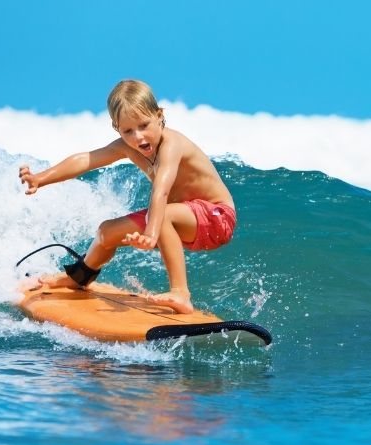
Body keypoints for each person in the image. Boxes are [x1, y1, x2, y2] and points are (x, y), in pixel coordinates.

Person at [19, 79, 236, 314]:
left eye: (144, 125)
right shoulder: (126, 146)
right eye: (128, 131)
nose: (138, 137)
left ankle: (181, 294)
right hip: (182, 218)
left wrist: (151, 233)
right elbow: (86, 159)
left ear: (159, 115)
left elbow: (161, 190)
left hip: (217, 217)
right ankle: (78, 278)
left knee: (160, 214)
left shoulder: (172, 144)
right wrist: (41, 178)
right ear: (116, 128)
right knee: (106, 232)